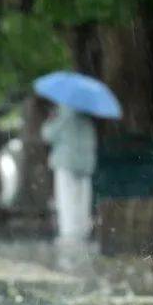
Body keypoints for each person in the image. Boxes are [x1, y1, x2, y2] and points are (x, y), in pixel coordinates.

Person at [41, 103, 97, 242]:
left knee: (66, 200)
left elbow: (47, 135)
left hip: (66, 162)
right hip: (85, 163)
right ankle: (82, 233)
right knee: (82, 200)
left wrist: (51, 120)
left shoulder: (63, 114)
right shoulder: (87, 116)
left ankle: (69, 235)